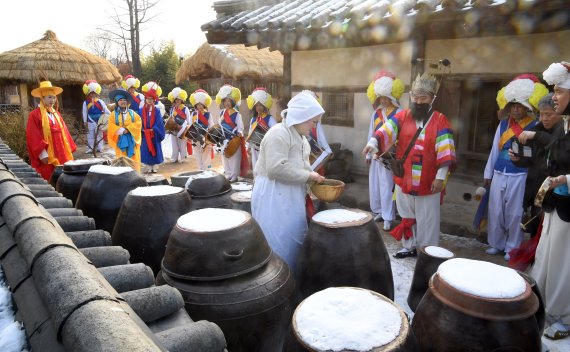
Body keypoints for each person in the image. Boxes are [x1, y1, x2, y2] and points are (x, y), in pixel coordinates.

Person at [362, 72, 456, 259]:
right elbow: (386, 130)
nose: (419, 101)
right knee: (407, 214)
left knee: (427, 219)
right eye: (416, 97)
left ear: (432, 99)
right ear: (411, 97)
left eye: (424, 97)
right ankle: (409, 245)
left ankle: (427, 251)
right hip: (405, 176)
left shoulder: (440, 120)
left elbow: (446, 150)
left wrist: (440, 178)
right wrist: (373, 142)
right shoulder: (403, 116)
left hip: (428, 180)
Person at [251, 91, 325, 275]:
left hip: (292, 194)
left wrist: (312, 177)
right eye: (313, 122)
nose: (314, 126)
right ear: (302, 117)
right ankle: (277, 280)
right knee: (278, 238)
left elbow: (302, 166)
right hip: (273, 194)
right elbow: (275, 168)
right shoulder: (278, 133)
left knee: (293, 237)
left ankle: (292, 279)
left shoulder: (301, 137)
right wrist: (309, 177)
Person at [483, 74, 548, 261]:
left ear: (527, 107)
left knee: (514, 212)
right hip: (499, 171)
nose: (516, 109)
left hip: (520, 174)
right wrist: (488, 172)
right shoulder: (503, 124)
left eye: (519, 105)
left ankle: (512, 247)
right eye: (513, 105)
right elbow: (495, 149)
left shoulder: (535, 125)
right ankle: (496, 243)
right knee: (495, 210)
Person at [529, 61, 570, 340]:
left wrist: (565, 180)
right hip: (556, 202)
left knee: (564, 263)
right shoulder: (566, 124)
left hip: (568, 203)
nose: (554, 96)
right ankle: (541, 304)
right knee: (546, 255)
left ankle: (563, 317)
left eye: (559, 90)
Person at [511, 93, 562, 236]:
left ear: (560, 113)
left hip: (556, 191)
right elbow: (530, 159)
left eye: (549, 114)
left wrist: (536, 136)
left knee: (550, 233)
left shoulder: (563, 132)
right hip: (536, 188)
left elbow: (557, 145)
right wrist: (517, 160)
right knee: (535, 229)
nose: (544, 118)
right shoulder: (537, 129)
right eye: (541, 114)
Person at [365, 70, 404, 230]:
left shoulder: (400, 113)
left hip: (390, 157)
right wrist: (369, 153)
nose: (383, 100)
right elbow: (371, 133)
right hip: (375, 155)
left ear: (392, 96)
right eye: (381, 97)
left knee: (387, 187)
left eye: (386, 97)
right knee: (375, 185)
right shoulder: (376, 113)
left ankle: (389, 217)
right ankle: (380, 211)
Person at [26, 81, 76, 181]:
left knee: (64, 178)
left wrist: (69, 149)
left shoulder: (56, 114)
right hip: (47, 153)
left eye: (54, 97)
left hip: (61, 151)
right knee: (49, 177)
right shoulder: (34, 115)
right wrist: (42, 153)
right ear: (42, 98)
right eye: (49, 97)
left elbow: (65, 132)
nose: (52, 100)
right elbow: (33, 136)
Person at [215, 84, 248, 181]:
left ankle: (234, 175)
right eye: (225, 101)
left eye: (229, 101)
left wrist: (240, 132)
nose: (227, 103)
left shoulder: (237, 114)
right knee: (225, 157)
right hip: (223, 139)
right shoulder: (221, 113)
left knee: (234, 158)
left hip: (233, 139)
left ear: (233, 101)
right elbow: (219, 124)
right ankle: (228, 173)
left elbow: (240, 127)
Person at [107, 89, 142, 172]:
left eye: (124, 100)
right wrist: (121, 130)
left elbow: (138, 123)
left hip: (132, 140)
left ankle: (136, 176)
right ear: (117, 102)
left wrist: (128, 129)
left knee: (134, 160)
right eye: (120, 100)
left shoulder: (133, 113)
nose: (123, 102)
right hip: (120, 141)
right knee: (121, 160)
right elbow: (111, 126)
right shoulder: (113, 115)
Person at [246, 87, 277, 169]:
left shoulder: (270, 118)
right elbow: (250, 132)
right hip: (254, 146)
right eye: (256, 105)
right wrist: (248, 147)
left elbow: (276, 131)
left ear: (265, 105)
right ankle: (256, 180)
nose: (258, 107)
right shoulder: (253, 119)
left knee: (264, 165)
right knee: (255, 164)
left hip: (266, 147)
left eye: (261, 105)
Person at [140, 82, 165, 173]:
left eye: (151, 99)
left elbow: (159, 122)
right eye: (148, 99)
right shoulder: (141, 110)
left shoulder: (157, 111)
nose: (149, 101)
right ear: (145, 99)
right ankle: (148, 165)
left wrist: (154, 129)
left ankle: (155, 165)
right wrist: (142, 128)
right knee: (146, 149)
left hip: (154, 133)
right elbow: (138, 121)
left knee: (155, 147)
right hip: (144, 133)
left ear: (154, 100)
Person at [82, 80, 110, 154]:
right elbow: (84, 113)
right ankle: (91, 148)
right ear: (88, 93)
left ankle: (100, 148)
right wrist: (85, 122)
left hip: (99, 120)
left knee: (99, 135)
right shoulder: (85, 103)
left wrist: (111, 115)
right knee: (90, 135)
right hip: (90, 120)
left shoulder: (100, 101)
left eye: (93, 93)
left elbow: (106, 110)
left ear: (96, 93)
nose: (92, 95)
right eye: (90, 93)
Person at [189, 89, 215, 170]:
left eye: (201, 104)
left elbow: (211, 126)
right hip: (195, 137)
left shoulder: (208, 114)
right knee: (197, 154)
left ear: (204, 104)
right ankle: (200, 169)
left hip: (206, 137)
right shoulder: (193, 114)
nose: (200, 106)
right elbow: (190, 125)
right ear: (195, 105)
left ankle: (206, 169)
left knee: (206, 154)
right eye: (198, 104)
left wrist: (209, 137)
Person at [168, 88, 192, 163]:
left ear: (182, 100)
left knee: (182, 144)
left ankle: (183, 157)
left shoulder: (185, 109)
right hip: (174, 128)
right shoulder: (172, 109)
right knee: (174, 143)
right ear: (174, 100)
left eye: (179, 99)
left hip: (183, 128)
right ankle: (174, 157)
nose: (177, 101)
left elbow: (188, 120)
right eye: (176, 99)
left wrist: (186, 128)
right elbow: (171, 118)